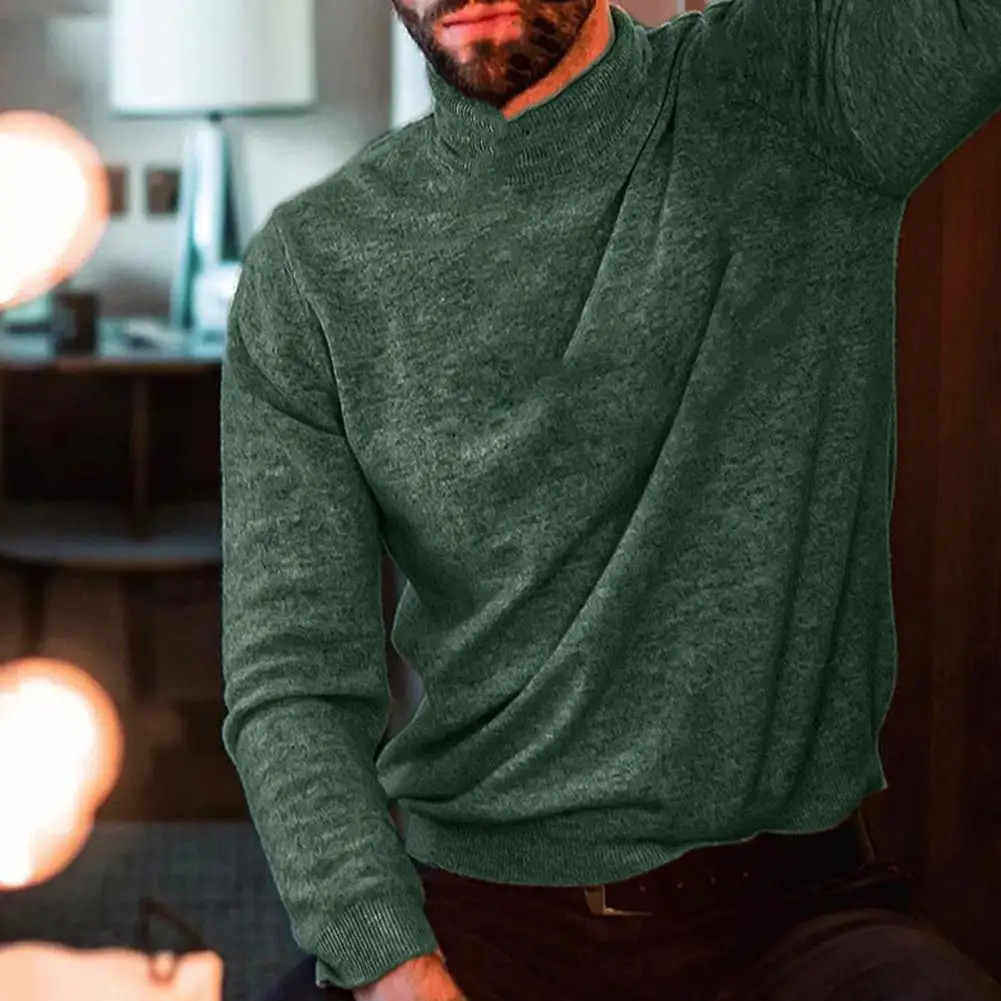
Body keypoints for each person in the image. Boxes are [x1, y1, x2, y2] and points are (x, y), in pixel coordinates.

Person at [219, 0, 1001, 998]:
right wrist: (391, 963)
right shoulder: (313, 265)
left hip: (790, 915)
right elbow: (293, 677)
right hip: (473, 915)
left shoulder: (797, 92)